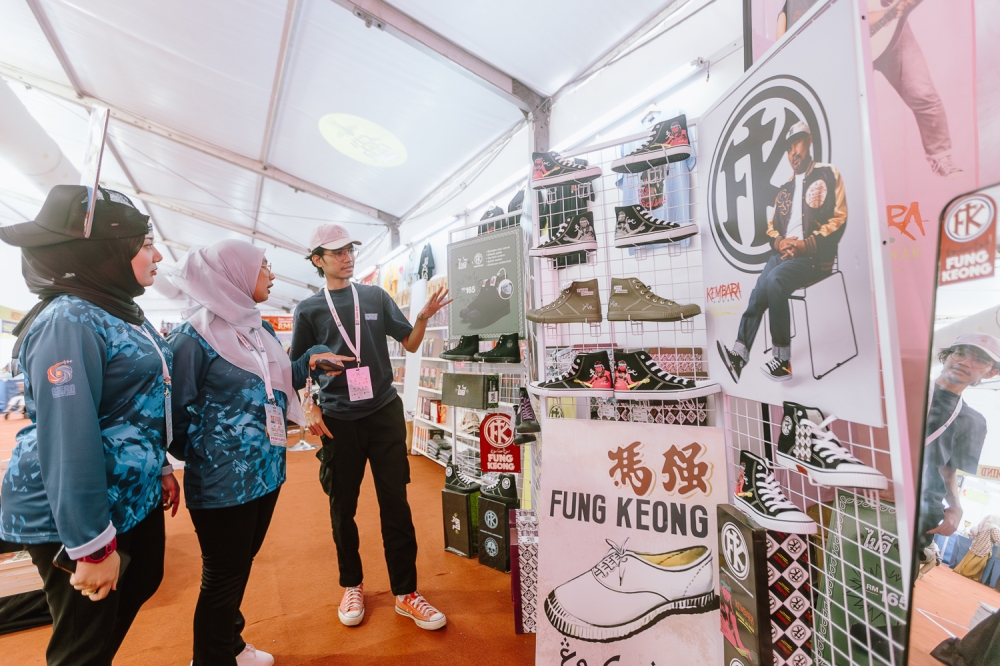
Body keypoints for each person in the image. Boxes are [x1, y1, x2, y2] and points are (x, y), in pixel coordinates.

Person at [0, 185, 179, 665]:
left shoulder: (115, 309)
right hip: (73, 511)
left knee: (141, 580)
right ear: (106, 252)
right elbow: (68, 439)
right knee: (83, 646)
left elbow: (133, 403)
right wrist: (91, 548)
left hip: (124, 493)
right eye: (144, 244)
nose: (158, 254)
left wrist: (158, 464)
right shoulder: (69, 320)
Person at [166, 240, 346, 665]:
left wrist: (311, 361)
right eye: (263, 266)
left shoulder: (256, 328)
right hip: (221, 481)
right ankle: (211, 657)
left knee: (238, 566)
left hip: (266, 472)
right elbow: (172, 413)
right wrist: (212, 451)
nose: (271, 274)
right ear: (233, 274)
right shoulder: (193, 337)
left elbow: (276, 378)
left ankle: (230, 642)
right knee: (222, 575)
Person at [290, 224, 452, 631]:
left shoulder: (375, 295)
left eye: (349, 249)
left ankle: (406, 592)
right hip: (338, 420)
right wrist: (309, 407)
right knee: (342, 508)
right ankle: (352, 584)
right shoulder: (309, 309)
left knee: (395, 503)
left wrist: (421, 318)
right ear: (317, 260)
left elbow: (411, 344)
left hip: (382, 412)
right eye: (337, 252)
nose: (347, 257)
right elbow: (296, 370)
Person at [717, 121, 847, 382]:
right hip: (787, 256)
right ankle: (739, 354)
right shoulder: (784, 189)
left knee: (775, 281)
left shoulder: (827, 175)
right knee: (758, 292)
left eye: (796, 144)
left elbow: (838, 220)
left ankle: (783, 361)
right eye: (788, 149)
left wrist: (805, 244)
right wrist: (781, 243)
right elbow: (770, 229)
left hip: (814, 257)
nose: (793, 153)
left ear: (808, 141)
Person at [776, 0, 960, 177]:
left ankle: (941, 157)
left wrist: (894, 9)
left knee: (923, 94)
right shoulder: (793, 7)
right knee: (841, 119)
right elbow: (789, 47)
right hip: (848, 51)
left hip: (892, 36)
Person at [918, 334, 1000, 576]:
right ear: (946, 357)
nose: (966, 362)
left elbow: (948, 469)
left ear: (990, 373)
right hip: (873, 491)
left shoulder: (974, 421)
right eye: (961, 353)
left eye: (979, 360)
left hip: (923, 509)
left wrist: (955, 506)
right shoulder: (904, 387)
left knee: (892, 588)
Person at [954, 515, 1000, 582]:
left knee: (967, 560)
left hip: (975, 545)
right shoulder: (994, 528)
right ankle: (967, 574)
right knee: (977, 564)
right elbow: (998, 539)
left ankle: (959, 571)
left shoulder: (982, 525)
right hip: (984, 548)